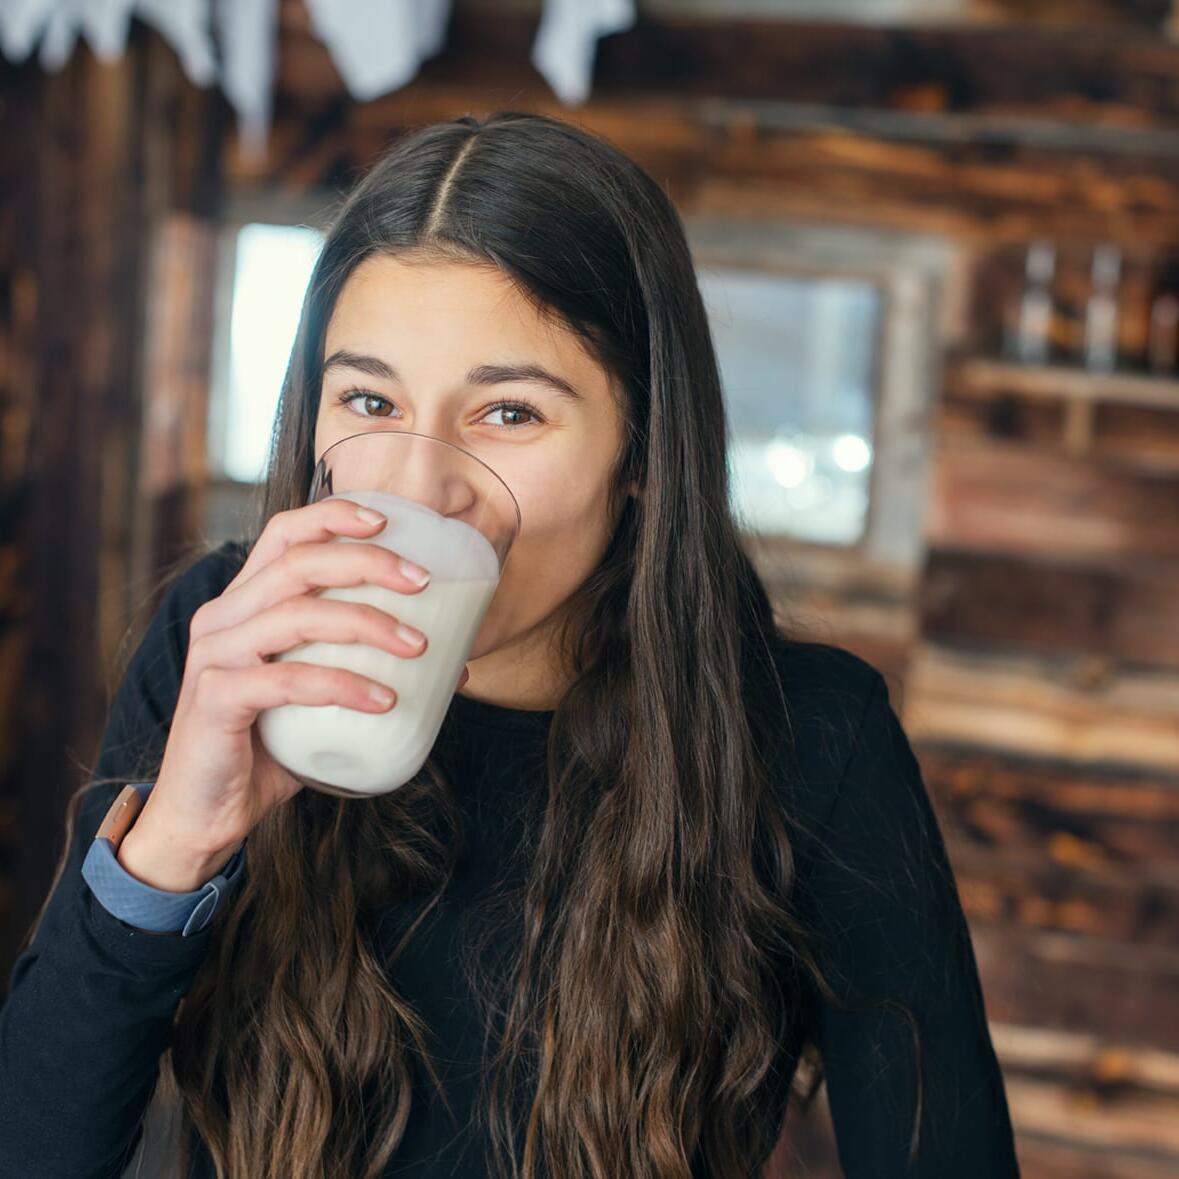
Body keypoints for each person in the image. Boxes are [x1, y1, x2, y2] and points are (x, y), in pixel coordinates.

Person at [0, 111, 1021, 1179]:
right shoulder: (229, 642)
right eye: (369, 400)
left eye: (510, 415)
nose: (419, 485)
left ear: (642, 451)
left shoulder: (811, 742)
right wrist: (176, 844)